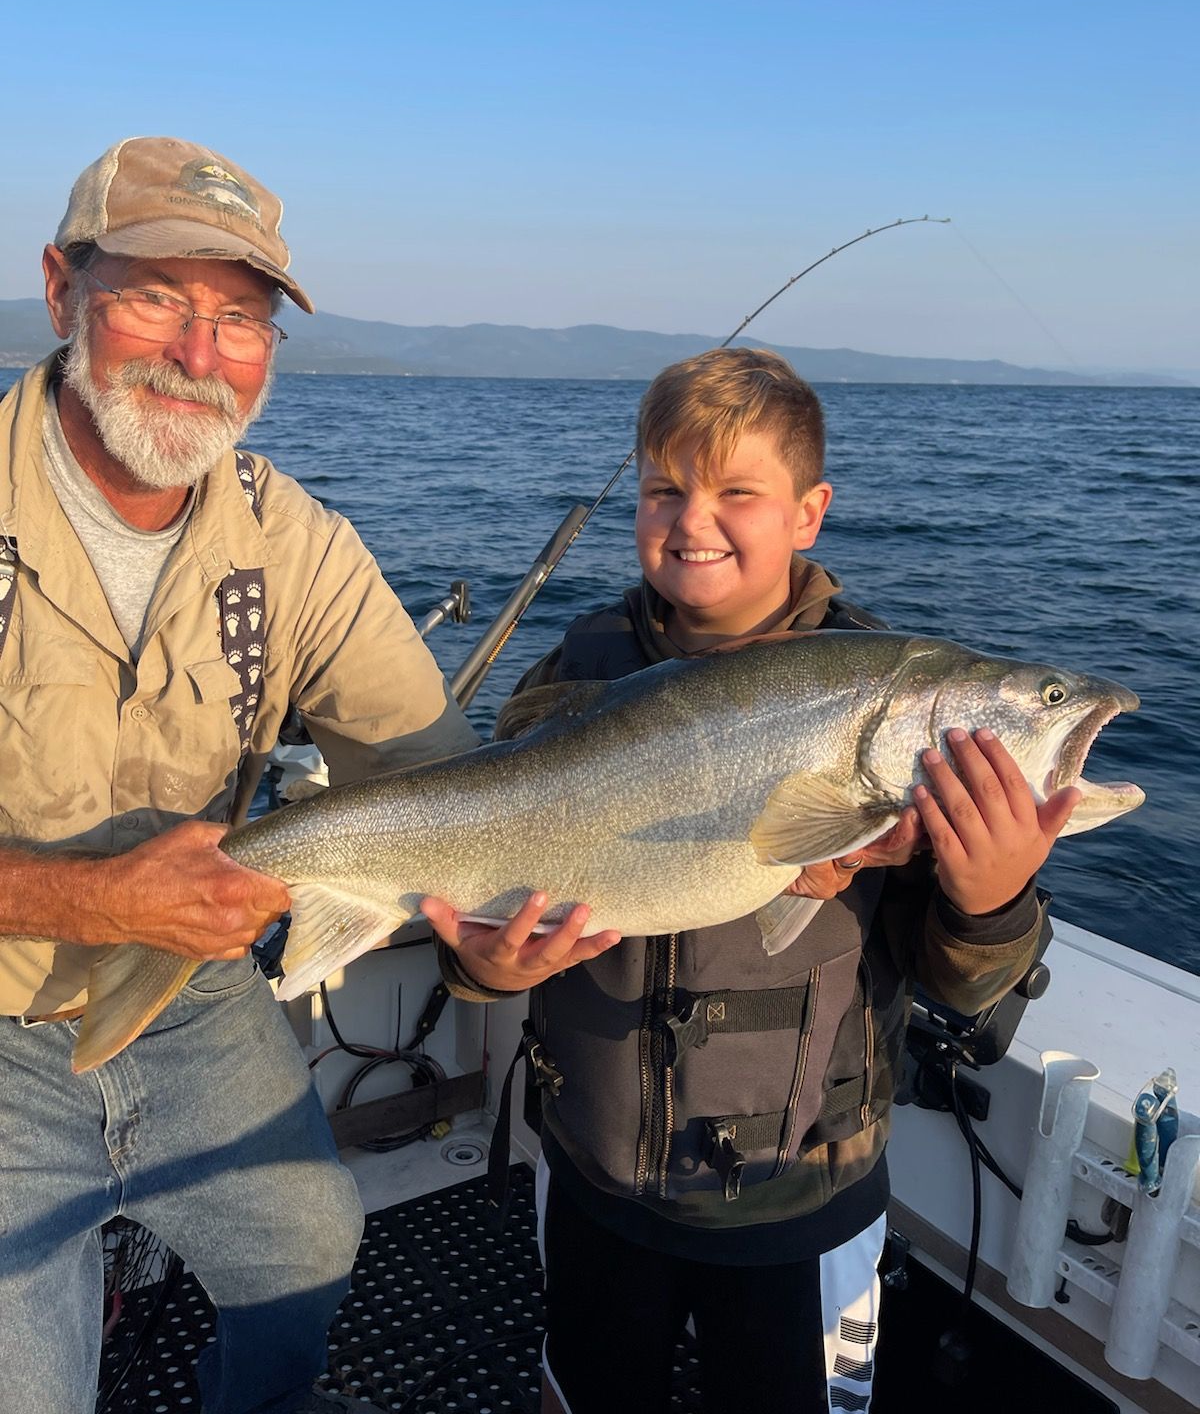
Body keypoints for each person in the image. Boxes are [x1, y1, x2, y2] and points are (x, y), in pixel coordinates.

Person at [423, 347, 1080, 1414]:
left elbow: (963, 990)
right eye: (663, 489)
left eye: (738, 492)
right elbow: (485, 892)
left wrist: (993, 895)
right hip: (595, 1175)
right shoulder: (573, 671)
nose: (694, 521)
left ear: (809, 511)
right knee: (586, 1391)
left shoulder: (891, 695)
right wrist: (482, 964)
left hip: (802, 1195)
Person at [0, 136, 482, 1414]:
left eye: (241, 318)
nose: (199, 356)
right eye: (157, 296)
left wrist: (500, 927)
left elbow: (442, 773)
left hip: (193, 995)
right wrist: (92, 903)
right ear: (61, 291)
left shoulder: (299, 546)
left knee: (311, 1247)